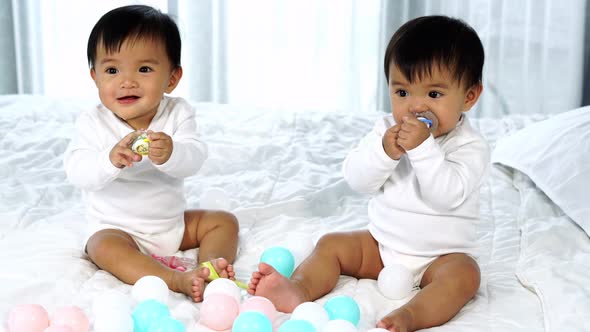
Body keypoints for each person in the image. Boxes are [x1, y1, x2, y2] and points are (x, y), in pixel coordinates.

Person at [248, 15, 489, 331]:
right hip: (383, 247)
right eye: (402, 92)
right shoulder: (386, 132)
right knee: (332, 244)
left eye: (433, 95)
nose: (415, 107)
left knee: (465, 275)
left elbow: (446, 196)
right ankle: (299, 290)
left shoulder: (470, 147)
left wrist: (421, 149)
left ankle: (410, 316)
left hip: (440, 257)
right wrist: (384, 153)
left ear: (469, 96)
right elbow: (357, 180)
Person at [64, 5, 239, 303]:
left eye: (144, 69)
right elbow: (77, 170)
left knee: (224, 222)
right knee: (100, 246)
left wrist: (172, 153)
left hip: (172, 225)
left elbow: (195, 157)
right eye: (112, 70)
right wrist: (109, 159)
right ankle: (175, 279)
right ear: (95, 77)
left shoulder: (177, 113)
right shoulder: (93, 122)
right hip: (118, 229)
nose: (127, 81)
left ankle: (210, 268)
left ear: (171, 78)